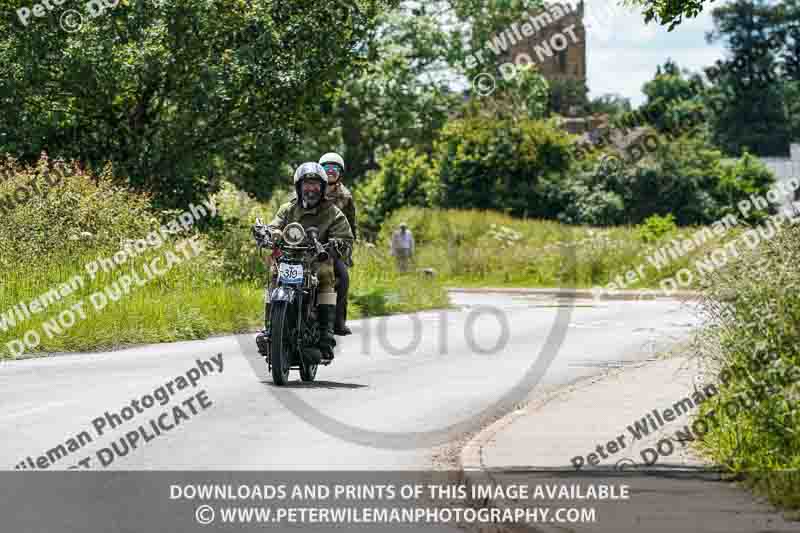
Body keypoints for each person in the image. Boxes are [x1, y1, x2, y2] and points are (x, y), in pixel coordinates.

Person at [261, 162, 354, 360]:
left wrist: (335, 245)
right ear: (299, 186)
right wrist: (269, 234)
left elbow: (346, 237)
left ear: (322, 188)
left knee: (327, 274)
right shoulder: (288, 208)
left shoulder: (333, 212)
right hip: (290, 258)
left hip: (316, 260)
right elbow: (274, 225)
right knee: (273, 275)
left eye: (315, 185)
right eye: (306, 184)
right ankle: (269, 327)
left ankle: (325, 333)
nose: (310, 189)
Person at [319, 152, 357, 336]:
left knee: (342, 278)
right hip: (307, 242)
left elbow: (351, 225)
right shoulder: (310, 188)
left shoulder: (346, 196)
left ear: (340, 173)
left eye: (335, 169)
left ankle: (338, 322)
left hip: (333, 246)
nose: (331, 172)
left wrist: (347, 251)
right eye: (327, 168)